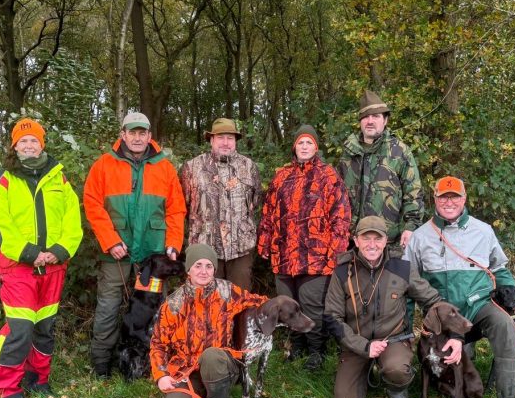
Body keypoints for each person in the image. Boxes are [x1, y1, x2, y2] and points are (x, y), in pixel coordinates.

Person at [403, 176, 515, 398]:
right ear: (435, 199)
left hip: (478, 308)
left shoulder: (483, 231)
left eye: (454, 197)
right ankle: (443, 381)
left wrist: (512, 297)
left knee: (504, 325)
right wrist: (406, 327)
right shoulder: (420, 237)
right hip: (442, 317)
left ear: (464, 198)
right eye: (443, 197)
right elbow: (408, 281)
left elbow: (499, 269)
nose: (449, 202)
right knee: (450, 353)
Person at [0, 117, 83, 398]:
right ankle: (8, 390)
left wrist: (60, 250)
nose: (29, 145)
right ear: (14, 146)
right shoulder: (1, 181)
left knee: (44, 328)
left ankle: (38, 380)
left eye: (34, 140)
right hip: (18, 268)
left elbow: (72, 221)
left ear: (42, 144)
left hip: (52, 266)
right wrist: (29, 253)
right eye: (23, 141)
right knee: (20, 329)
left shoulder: (59, 178)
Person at [83, 112, 186, 379]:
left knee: (158, 308)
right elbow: (92, 204)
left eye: (142, 133)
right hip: (116, 252)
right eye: (132, 133)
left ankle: (157, 360)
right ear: (123, 135)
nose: (137, 138)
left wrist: (173, 245)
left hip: (153, 252)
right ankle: (101, 363)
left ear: (150, 136)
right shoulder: (104, 165)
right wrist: (110, 241)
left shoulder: (165, 168)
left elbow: (176, 210)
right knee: (108, 306)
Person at [324, 216, 460, 398]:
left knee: (397, 370)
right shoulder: (342, 271)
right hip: (356, 343)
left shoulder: (402, 268)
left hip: (393, 340)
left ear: (386, 241)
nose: (372, 245)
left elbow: (433, 301)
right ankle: (364, 374)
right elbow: (332, 317)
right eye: (366, 238)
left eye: (377, 239)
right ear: (356, 240)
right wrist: (363, 346)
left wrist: (456, 335)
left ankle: (397, 388)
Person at [257, 124, 351, 371]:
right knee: (287, 305)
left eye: (309, 142)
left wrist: (336, 251)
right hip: (284, 256)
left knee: (312, 306)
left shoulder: (328, 176)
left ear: (316, 147)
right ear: (295, 146)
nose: (305, 146)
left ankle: (316, 351)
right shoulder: (281, 176)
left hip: (316, 257)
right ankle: (296, 347)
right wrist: (265, 242)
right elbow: (268, 213)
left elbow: (341, 216)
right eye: (301, 142)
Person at [149, 244, 268, 398]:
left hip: (221, 365)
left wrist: (280, 309)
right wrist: (161, 375)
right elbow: (158, 344)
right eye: (198, 265)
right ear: (188, 269)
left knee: (211, 355)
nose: (203, 271)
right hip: (186, 370)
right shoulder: (174, 303)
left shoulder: (227, 292)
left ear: (214, 269)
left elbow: (259, 302)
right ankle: (201, 394)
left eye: (209, 266)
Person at [179, 118, 262, 291]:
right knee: (206, 300)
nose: (225, 142)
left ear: (235, 141)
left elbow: (255, 203)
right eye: (220, 137)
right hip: (204, 248)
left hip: (240, 249)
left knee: (240, 299)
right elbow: (182, 207)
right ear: (211, 139)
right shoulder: (192, 167)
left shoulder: (249, 167)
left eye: (230, 138)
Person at [337, 90, 424, 246]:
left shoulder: (399, 152)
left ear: (385, 120)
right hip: (353, 242)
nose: (370, 121)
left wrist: (410, 227)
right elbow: (335, 197)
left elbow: (413, 193)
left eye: (376, 116)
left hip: (389, 242)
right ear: (360, 121)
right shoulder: (348, 154)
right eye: (365, 117)